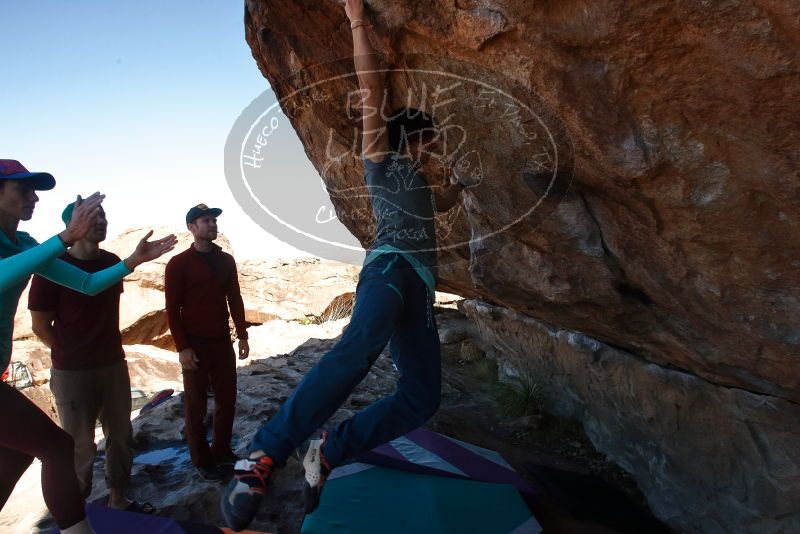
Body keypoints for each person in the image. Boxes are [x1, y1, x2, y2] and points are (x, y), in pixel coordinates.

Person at [220, 0, 474, 529]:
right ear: (411, 140)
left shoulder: (425, 186)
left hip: (420, 287)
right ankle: (262, 454)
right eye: (432, 144)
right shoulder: (381, 158)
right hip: (388, 271)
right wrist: (357, 19)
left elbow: (446, 201)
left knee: (422, 398)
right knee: (359, 348)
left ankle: (331, 448)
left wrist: (460, 184)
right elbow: (370, 88)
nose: (437, 152)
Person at [0, 159, 176, 534]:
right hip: (70, 368)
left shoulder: (25, 244)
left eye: (35, 191)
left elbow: (86, 284)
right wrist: (64, 238)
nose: (34, 197)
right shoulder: (36, 249)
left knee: (14, 457)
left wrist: (132, 261)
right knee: (58, 446)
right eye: (23, 189)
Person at [28, 201, 154, 514]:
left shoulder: (111, 262)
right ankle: (76, 511)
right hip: (72, 372)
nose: (101, 221)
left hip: (112, 365)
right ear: (73, 224)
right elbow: (40, 326)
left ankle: (118, 499)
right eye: (93, 216)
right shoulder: (51, 269)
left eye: (103, 215)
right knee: (79, 445)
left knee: (121, 435)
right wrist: (70, 352)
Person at [165, 204, 250, 481]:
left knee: (227, 400)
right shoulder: (178, 264)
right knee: (196, 406)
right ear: (192, 227)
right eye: (206, 220)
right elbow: (172, 308)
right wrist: (182, 347)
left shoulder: (226, 261)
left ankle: (222, 450)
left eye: (214, 220)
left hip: (222, 342)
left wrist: (243, 334)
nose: (212, 224)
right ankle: (201, 460)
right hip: (195, 344)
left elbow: (234, 298)